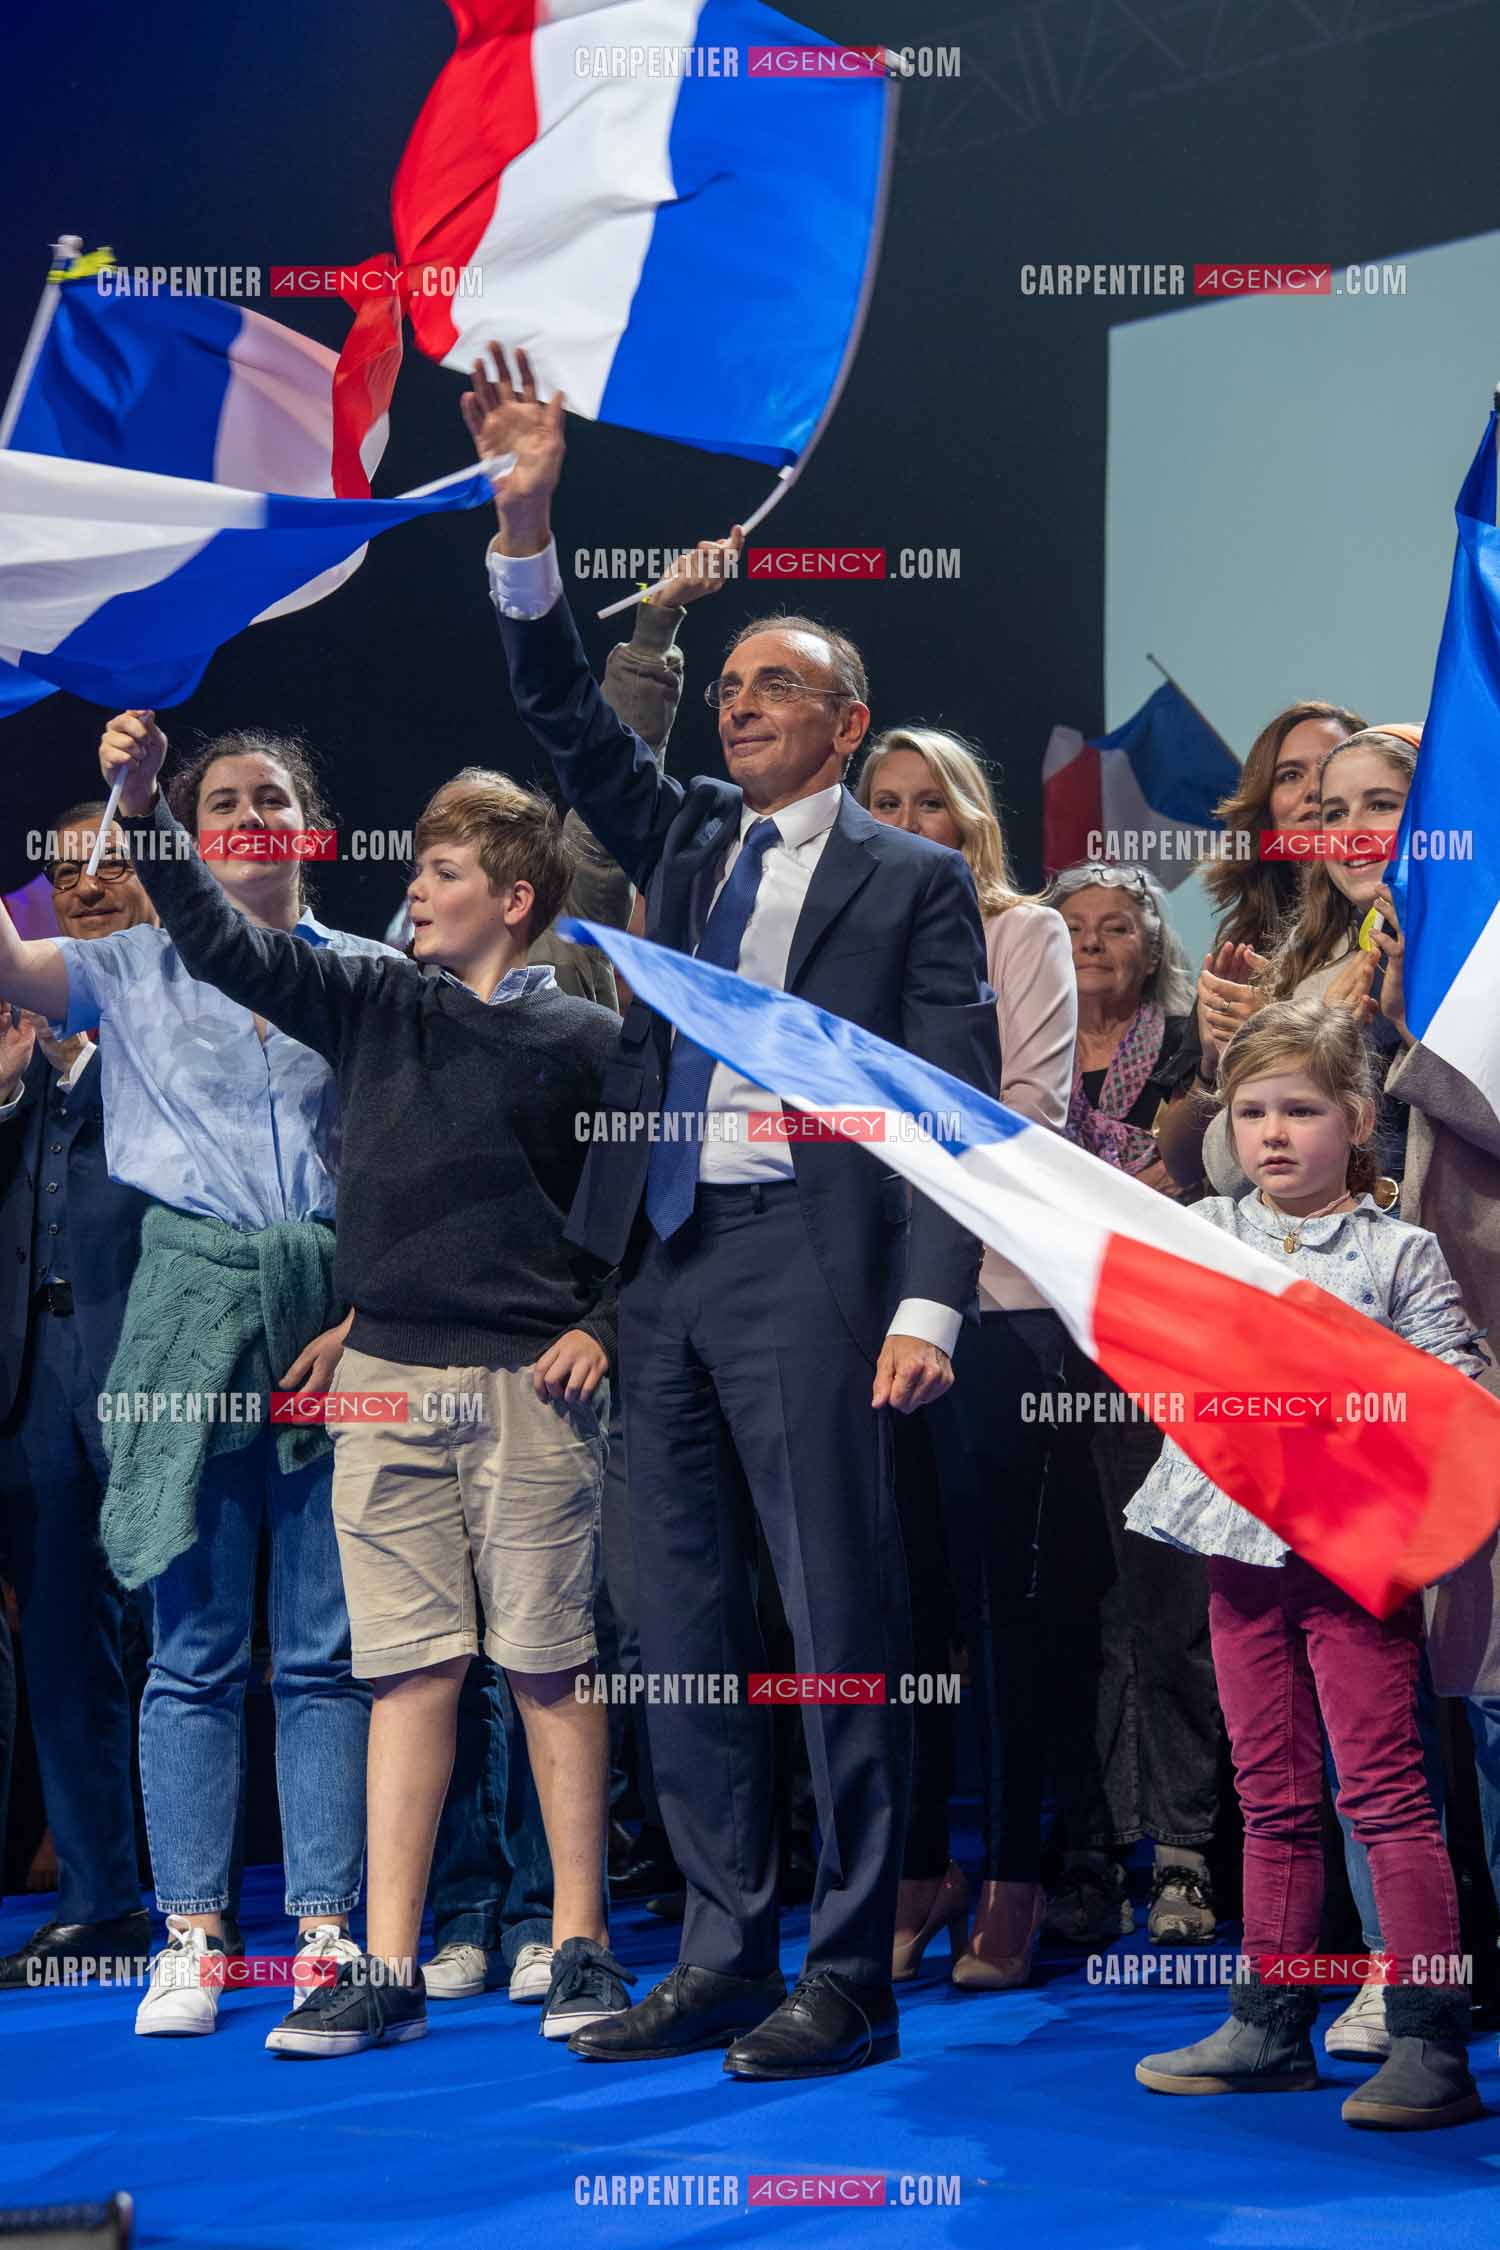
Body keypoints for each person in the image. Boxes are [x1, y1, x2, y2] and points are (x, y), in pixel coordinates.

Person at [473, 342, 1000, 2079]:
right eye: (736, 684)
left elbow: (948, 1111)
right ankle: (718, 1949)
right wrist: (528, 525)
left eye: (781, 685)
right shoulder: (690, 839)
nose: (742, 703)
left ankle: (848, 1972)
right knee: (680, 1630)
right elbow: (565, 715)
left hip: (813, 1275)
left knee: (837, 1626)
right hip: (666, 1268)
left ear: (848, 724)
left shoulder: (913, 881)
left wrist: (928, 1304)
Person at [97, 713, 626, 2062]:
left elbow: (641, 1205)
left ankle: (581, 1941)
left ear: (514, 899)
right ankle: (382, 1965)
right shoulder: (374, 998)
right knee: (404, 1670)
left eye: (442, 873)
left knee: (549, 1665)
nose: (415, 891)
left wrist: (606, 1323)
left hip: (527, 1384)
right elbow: (221, 940)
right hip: (385, 1383)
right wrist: (144, 811)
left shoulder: (586, 1037)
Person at [0, 735, 378, 2038]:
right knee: (195, 1646)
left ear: (311, 828)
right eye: (223, 800)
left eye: (274, 796)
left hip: (332, 1315)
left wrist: (366, 1315)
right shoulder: (128, 966)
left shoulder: (368, 972)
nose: (250, 813)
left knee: (326, 1650)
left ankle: (325, 1930)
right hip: (184, 1319)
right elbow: (12, 966)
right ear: (187, 832)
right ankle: (194, 1933)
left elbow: (406, 1163)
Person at [420, 538, 725, 2006]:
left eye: (463, 865)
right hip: (448, 1344)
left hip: (583, 1333)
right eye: (426, 864)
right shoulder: (410, 994)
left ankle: (573, 1907)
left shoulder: (599, 991)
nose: (432, 886)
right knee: (446, 1645)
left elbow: (608, 773)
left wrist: (652, 629)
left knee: (573, 1633)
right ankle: (470, 1905)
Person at [1129, 999, 1485, 2131]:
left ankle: (1428, 2038)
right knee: (1268, 1790)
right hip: (1238, 1547)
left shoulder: (1397, 1250)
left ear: (1359, 1122)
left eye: (1302, 1111)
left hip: (1351, 1551)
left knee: (1383, 1790)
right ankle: (1270, 2022)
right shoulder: (1205, 1231)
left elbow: (1457, 1387)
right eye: (1252, 1113)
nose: (1274, 1134)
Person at [856, 729, 1075, 1987]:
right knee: (903, 1605)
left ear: (971, 821)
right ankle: (921, 1860)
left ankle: (1016, 1873)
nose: (904, 822)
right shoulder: (843, 942)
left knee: (1002, 1607)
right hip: (861, 1309)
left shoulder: (1022, 931)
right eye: (882, 803)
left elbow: (1025, 1112)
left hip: (994, 1307)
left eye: (928, 802)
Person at [1038, 864, 1225, 1946]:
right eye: (1075, 928)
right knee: (1075, 1610)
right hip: (1039, 1345)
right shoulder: (1020, 1049)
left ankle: (1186, 1854)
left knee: (1170, 1608)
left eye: (1118, 927)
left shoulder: (1197, 1050)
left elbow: (1219, 1176)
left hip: (1161, 1346)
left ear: (1155, 945)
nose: (1096, 944)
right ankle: (1088, 1854)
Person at [0, 808, 155, 1990]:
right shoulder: (16, 1032)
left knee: (208, 1641)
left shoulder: (190, 1004)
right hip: (35, 1376)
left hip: (165, 1362)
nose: (87, 885)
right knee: (60, 1644)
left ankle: (254, 1902)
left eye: (110, 863)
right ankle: (101, 1903)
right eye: (65, 874)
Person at [1155, 700, 1364, 1192]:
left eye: (1329, 769)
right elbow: (1182, 1165)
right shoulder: (1241, 946)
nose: (1313, 790)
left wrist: (1272, 1037)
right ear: (1265, 809)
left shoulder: (1387, 926)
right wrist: (1213, 1063)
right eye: (1289, 775)